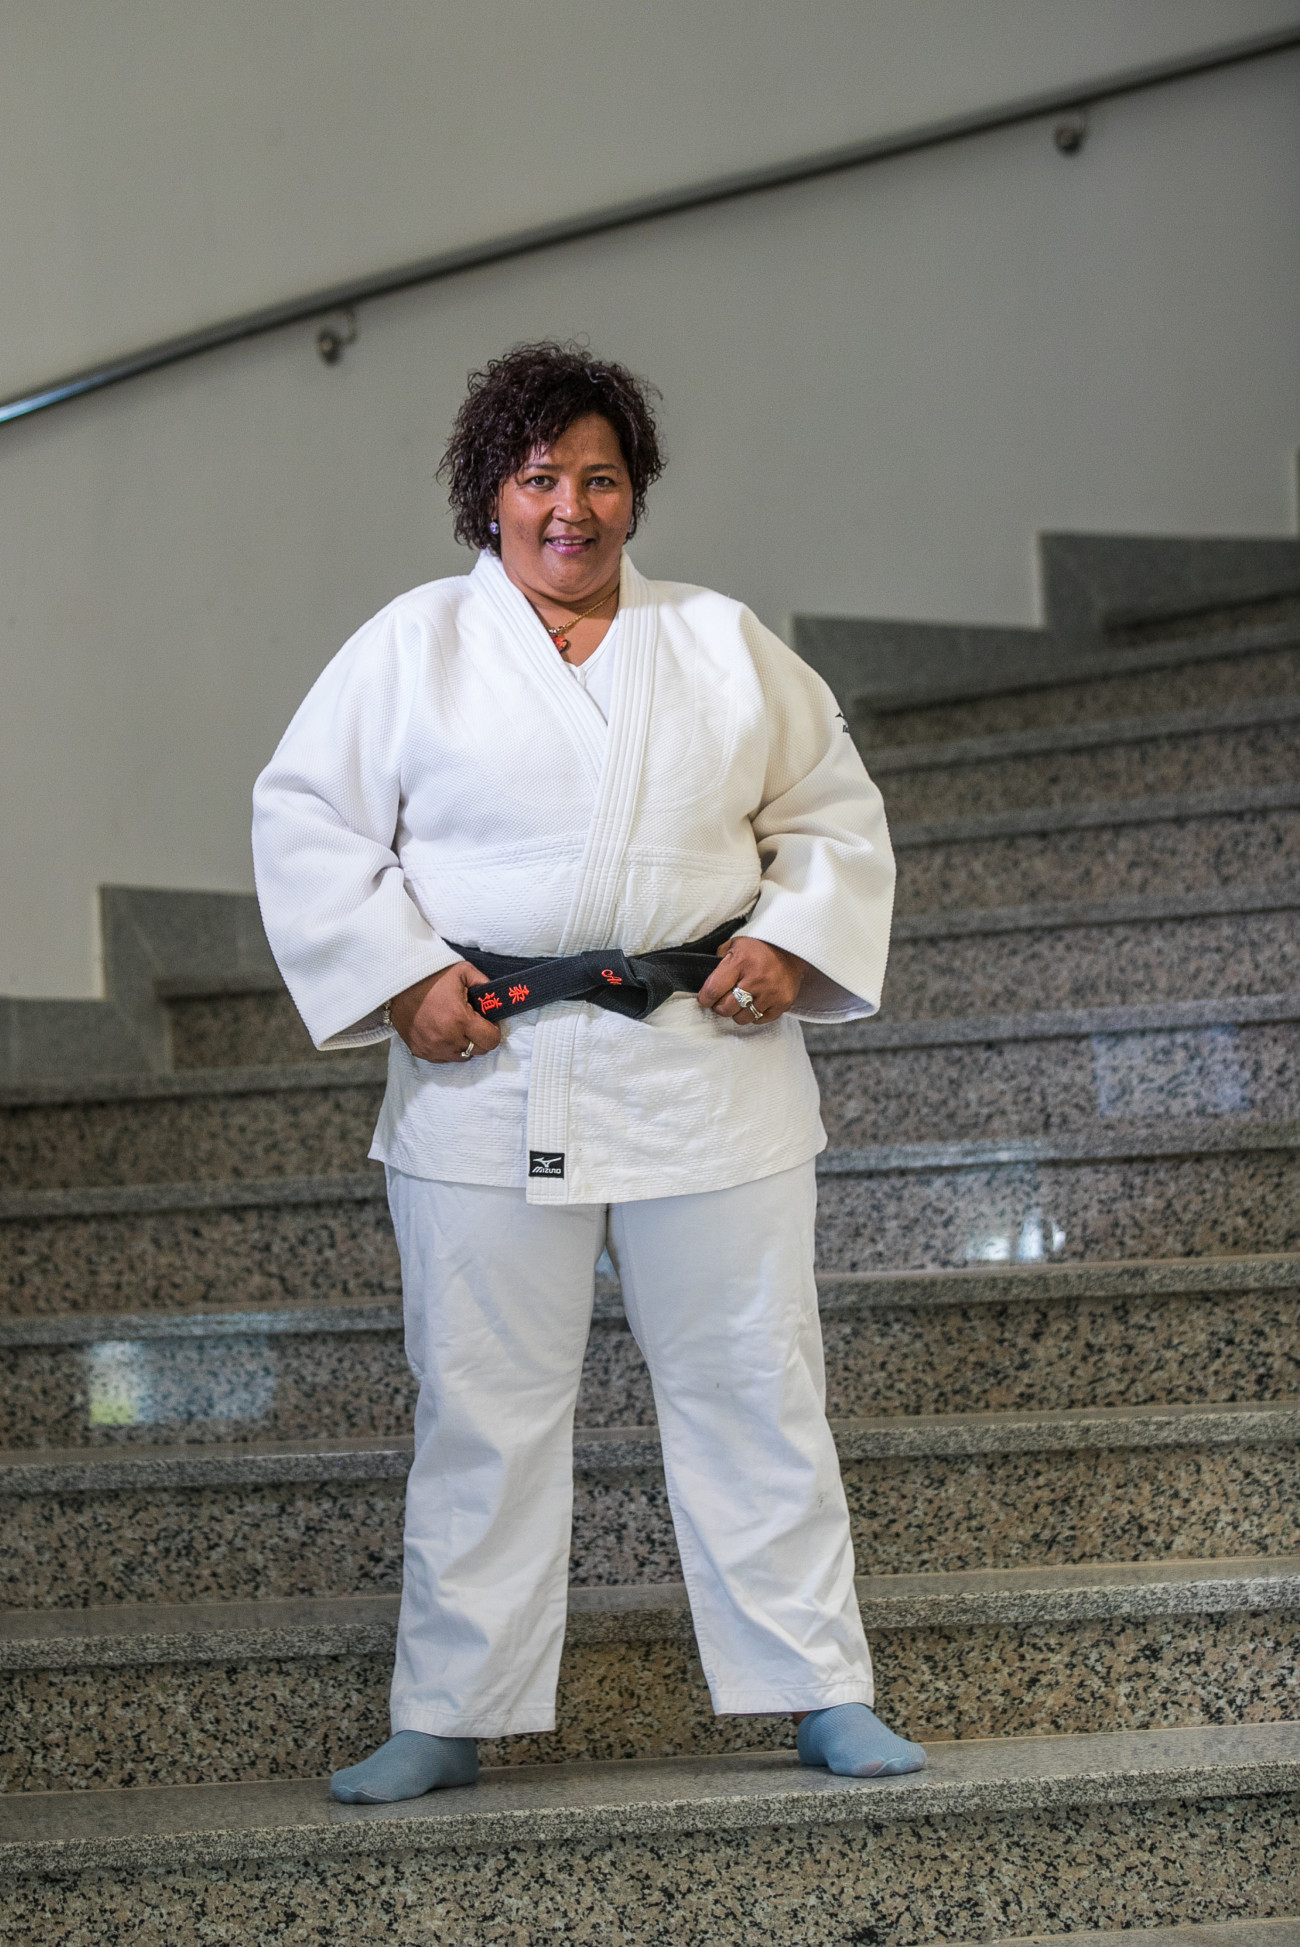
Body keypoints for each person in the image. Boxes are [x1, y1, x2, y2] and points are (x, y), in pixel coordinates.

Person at [251, 341, 925, 1803]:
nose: (572, 508)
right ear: (488, 495)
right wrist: (403, 978)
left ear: (637, 493)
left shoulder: (721, 642)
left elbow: (832, 815)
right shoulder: (414, 646)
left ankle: (821, 1687)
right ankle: (447, 1709)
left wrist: (789, 943)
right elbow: (306, 821)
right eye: (540, 476)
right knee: (480, 1401)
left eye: (601, 478)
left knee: (755, 1382)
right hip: (492, 1070)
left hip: (705, 1065)